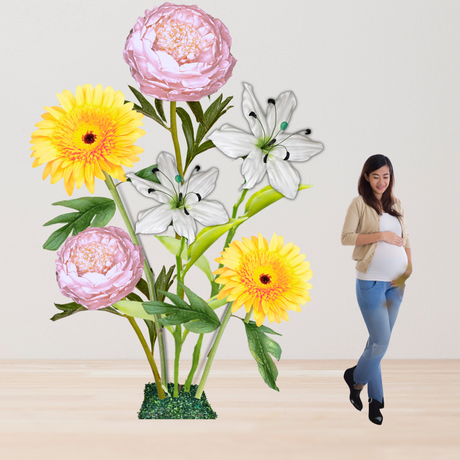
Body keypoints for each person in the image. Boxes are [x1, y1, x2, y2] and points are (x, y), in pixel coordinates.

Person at [341, 154, 412, 425]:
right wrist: (381, 235)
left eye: (386, 176)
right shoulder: (358, 204)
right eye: (375, 176)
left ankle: (372, 399)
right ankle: (358, 381)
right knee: (380, 342)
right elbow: (346, 237)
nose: (381, 181)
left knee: (376, 344)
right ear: (366, 178)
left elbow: (407, 238)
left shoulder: (396, 204)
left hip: (396, 286)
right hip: (370, 282)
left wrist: (409, 268)